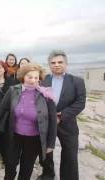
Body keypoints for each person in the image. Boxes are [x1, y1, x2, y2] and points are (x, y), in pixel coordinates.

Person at [0, 63, 57, 180]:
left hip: (34, 138)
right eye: (30, 77)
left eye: (36, 77)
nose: (33, 80)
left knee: (27, 167)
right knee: (10, 165)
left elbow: (52, 120)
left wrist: (51, 143)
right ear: (23, 77)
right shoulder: (13, 90)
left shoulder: (46, 94)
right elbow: (2, 108)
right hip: (14, 136)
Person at [39, 50, 86, 180]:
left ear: (66, 63)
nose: (56, 65)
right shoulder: (43, 80)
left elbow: (80, 103)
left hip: (68, 124)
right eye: (53, 62)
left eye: (60, 62)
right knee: (46, 152)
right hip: (48, 123)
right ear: (49, 65)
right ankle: (48, 174)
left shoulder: (77, 81)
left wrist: (61, 116)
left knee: (70, 156)